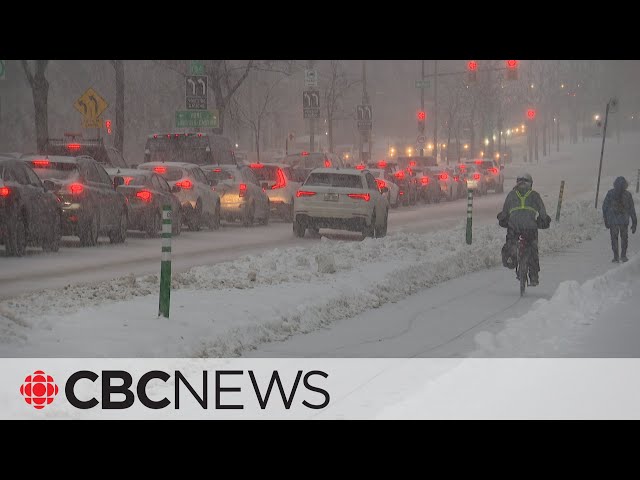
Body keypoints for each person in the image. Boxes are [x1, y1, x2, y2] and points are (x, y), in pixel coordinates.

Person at [497, 173, 551, 286]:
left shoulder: (511, 195)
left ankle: (511, 257)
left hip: (514, 228)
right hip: (530, 229)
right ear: (530, 183)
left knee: (510, 243)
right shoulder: (535, 195)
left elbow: (504, 212)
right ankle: (534, 276)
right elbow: (542, 212)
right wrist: (544, 220)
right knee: (533, 250)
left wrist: (502, 218)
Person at [602, 176, 637, 263]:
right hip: (623, 221)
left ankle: (616, 256)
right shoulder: (628, 195)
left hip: (613, 221)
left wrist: (606, 220)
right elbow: (632, 210)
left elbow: (604, 207)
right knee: (624, 238)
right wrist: (634, 223)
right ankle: (623, 256)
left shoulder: (610, 193)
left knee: (614, 239)